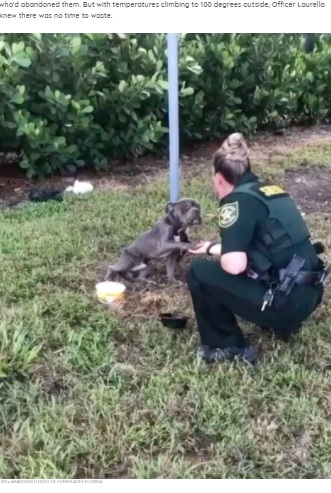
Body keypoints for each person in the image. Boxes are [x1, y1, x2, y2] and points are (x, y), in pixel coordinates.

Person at [186, 132, 328, 364]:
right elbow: (265, 249)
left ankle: (228, 346)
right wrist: (212, 247)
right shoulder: (271, 191)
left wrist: (221, 254)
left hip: (284, 306)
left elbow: (234, 265)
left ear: (220, 178)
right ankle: (282, 323)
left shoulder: (235, 202)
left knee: (198, 272)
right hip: (309, 297)